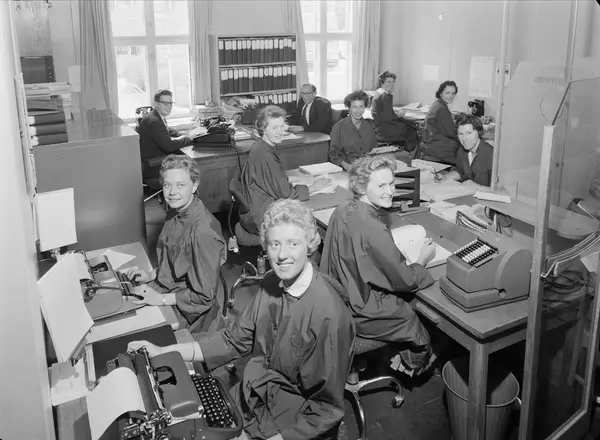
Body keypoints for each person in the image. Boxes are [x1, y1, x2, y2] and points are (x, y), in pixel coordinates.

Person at [129, 199, 355, 440]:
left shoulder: (329, 316)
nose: (281, 255)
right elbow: (232, 339)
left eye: (293, 244)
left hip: (288, 422)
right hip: (252, 396)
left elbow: (325, 410)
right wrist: (163, 352)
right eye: (275, 244)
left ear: (309, 245)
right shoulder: (271, 282)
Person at [320, 154, 436, 376]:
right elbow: (405, 280)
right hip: (361, 310)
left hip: (338, 303)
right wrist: (422, 259)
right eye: (381, 185)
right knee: (414, 321)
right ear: (362, 187)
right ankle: (413, 366)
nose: (390, 191)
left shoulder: (342, 209)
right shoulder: (374, 228)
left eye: (392, 183)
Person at [127, 155, 227, 336]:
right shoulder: (175, 212)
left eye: (180, 185)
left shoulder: (202, 232)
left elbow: (203, 297)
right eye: (167, 185)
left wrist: (161, 299)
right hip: (167, 290)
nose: (172, 192)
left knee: (132, 330)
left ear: (194, 186)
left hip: (190, 312)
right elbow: (175, 260)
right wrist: (151, 274)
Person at [238, 105, 330, 235]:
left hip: (255, 207)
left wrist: (300, 178)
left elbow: (270, 178)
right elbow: (288, 195)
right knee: (309, 222)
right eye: (274, 128)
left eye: (282, 126)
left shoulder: (259, 146)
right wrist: (314, 187)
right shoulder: (266, 156)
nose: (280, 132)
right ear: (263, 129)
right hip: (263, 217)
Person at [137, 89, 194, 181]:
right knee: (191, 162)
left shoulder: (154, 115)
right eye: (165, 103)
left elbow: (165, 129)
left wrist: (179, 133)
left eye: (170, 103)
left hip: (152, 160)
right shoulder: (154, 121)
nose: (169, 107)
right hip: (152, 166)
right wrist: (188, 138)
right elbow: (169, 146)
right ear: (156, 104)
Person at [437, 113, 493, 187]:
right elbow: (461, 171)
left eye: (469, 133)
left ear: (479, 132)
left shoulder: (491, 155)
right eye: (460, 134)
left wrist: (478, 187)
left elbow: (502, 190)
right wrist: (445, 178)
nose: (464, 139)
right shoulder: (462, 150)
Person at [329, 90, 377, 171]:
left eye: (361, 106)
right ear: (349, 108)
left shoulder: (369, 126)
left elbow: (373, 151)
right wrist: (347, 166)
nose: (358, 111)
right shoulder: (338, 127)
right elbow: (333, 154)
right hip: (347, 169)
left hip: (367, 168)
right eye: (354, 107)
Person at [371, 71, 418, 151]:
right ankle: (409, 153)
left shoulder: (377, 94)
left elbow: (384, 113)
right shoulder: (385, 96)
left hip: (380, 129)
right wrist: (399, 115)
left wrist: (394, 112)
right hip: (388, 129)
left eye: (393, 82)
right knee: (412, 130)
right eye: (388, 82)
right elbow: (389, 118)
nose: (391, 84)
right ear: (381, 83)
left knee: (407, 127)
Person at [422, 81, 459, 164]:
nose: (450, 96)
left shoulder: (437, 104)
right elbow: (452, 133)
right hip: (440, 147)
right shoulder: (442, 109)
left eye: (453, 93)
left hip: (432, 143)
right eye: (447, 93)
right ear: (441, 93)